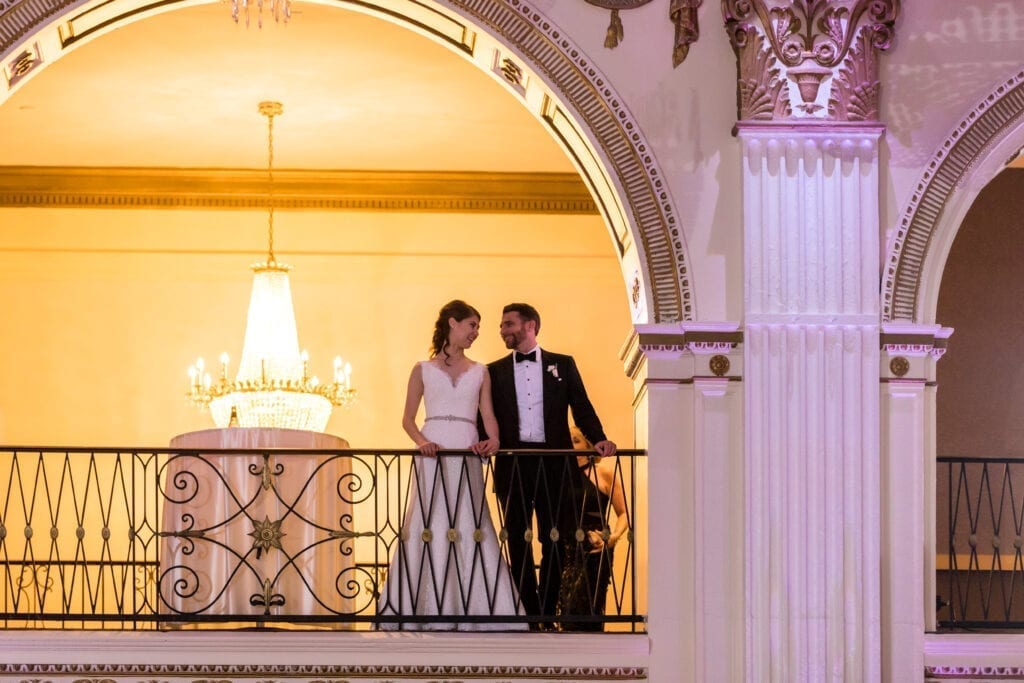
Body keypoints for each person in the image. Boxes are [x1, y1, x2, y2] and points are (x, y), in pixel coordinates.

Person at [378, 300, 525, 631]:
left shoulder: (480, 371)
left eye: (478, 328)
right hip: (433, 448)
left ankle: (479, 607)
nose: (476, 333)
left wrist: (494, 440)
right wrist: (421, 442)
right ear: (452, 323)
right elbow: (407, 418)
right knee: (429, 517)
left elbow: (488, 414)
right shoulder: (422, 369)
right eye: (472, 325)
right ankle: (423, 606)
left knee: (469, 516)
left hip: (467, 446)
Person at [487, 302, 616, 630]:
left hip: (554, 466)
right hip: (513, 464)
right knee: (517, 537)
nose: (502, 330)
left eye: (508, 324)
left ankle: (546, 610)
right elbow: (483, 417)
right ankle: (528, 614)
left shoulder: (563, 364)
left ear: (530, 325)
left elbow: (581, 407)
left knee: (553, 537)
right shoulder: (494, 371)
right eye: (502, 325)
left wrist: (599, 438)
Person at [557, 426, 629, 631]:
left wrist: (613, 537)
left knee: (588, 605)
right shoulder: (558, 476)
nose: (571, 445)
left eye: (576, 440)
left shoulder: (602, 472)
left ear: (588, 444)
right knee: (564, 606)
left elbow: (624, 513)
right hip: (565, 548)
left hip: (595, 546)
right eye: (567, 440)